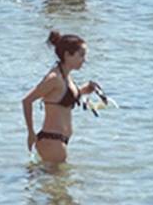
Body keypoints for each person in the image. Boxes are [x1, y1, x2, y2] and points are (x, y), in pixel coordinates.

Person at [22, 31, 100, 163]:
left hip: (58, 141)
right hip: (52, 141)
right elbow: (27, 101)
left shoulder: (66, 76)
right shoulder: (54, 78)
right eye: (81, 55)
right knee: (58, 182)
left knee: (53, 182)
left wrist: (83, 90)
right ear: (67, 55)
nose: (84, 60)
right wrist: (30, 133)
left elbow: (60, 98)